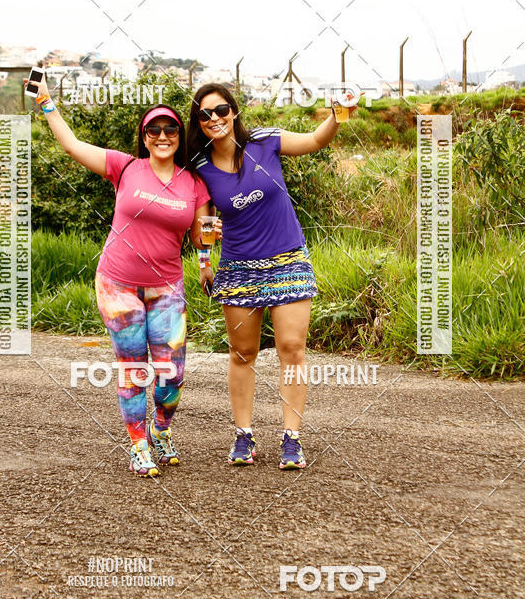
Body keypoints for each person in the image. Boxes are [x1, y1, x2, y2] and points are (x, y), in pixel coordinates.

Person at [28, 74, 215, 477]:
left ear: (179, 136)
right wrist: (46, 103)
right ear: (144, 136)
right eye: (154, 129)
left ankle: (160, 429)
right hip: (117, 284)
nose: (162, 135)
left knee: (172, 373)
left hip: (167, 287)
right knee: (132, 366)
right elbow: (72, 145)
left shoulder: (195, 184)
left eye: (170, 129)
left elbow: (203, 234)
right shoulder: (124, 167)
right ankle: (138, 444)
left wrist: (205, 265)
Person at [187, 83, 359, 470]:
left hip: (288, 259)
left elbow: (316, 140)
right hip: (238, 268)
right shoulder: (200, 165)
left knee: (292, 348)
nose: (214, 118)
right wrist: (203, 261)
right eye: (205, 114)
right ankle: (244, 436)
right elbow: (207, 219)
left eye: (221, 110)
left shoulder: (266, 142)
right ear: (198, 122)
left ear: (234, 111)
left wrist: (337, 115)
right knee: (242, 353)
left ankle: (291, 439)